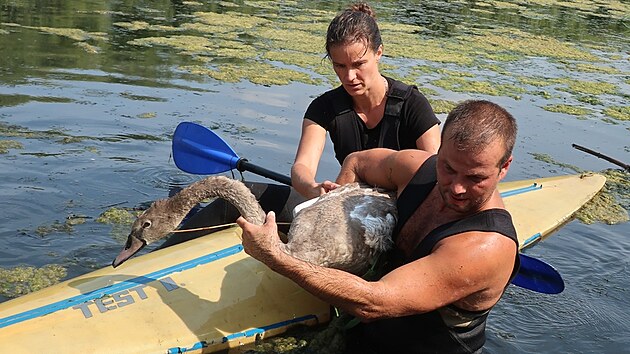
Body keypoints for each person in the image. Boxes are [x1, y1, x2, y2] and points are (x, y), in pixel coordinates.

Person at [237, 100, 520, 353]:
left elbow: (374, 302)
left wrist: (275, 257)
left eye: (475, 178)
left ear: (504, 167)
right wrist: (336, 219)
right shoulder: (417, 168)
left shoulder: (485, 247)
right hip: (363, 333)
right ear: (440, 148)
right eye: (448, 168)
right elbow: (356, 162)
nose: (457, 187)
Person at [291, 2, 441, 199]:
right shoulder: (323, 107)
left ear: (378, 53)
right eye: (340, 66)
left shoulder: (412, 104)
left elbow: (438, 173)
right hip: (354, 202)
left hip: (408, 201)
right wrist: (311, 187)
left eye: (358, 64)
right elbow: (302, 166)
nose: (349, 76)